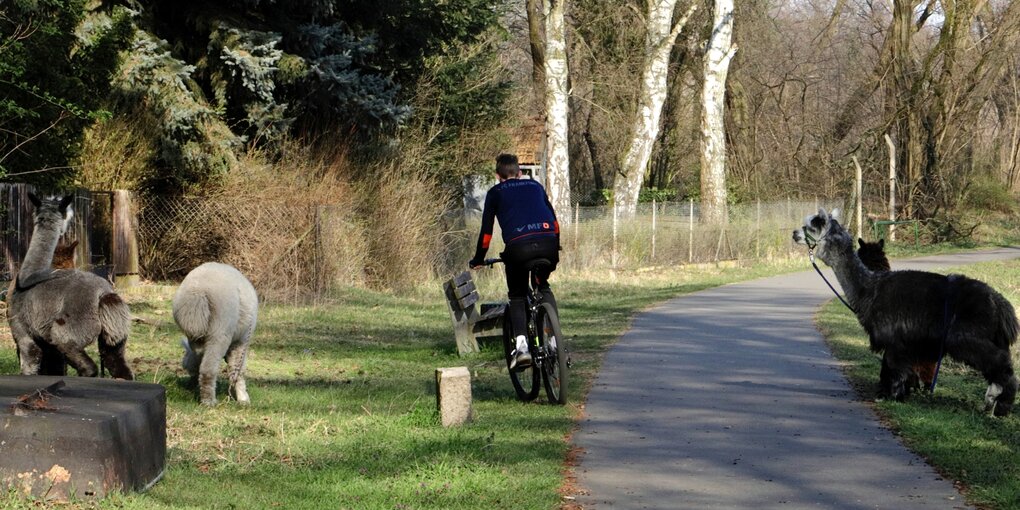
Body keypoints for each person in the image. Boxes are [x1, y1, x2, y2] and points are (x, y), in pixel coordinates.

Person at [470, 154, 560, 369]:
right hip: (548, 244)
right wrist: (555, 245)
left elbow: (486, 234)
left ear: (498, 176)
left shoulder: (495, 193)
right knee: (541, 284)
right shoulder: (535, 186)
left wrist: (478, 259)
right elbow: (554, 220)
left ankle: (521, 348)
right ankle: (555, 340)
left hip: (518, 250)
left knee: (517, 295)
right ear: (520, 172)